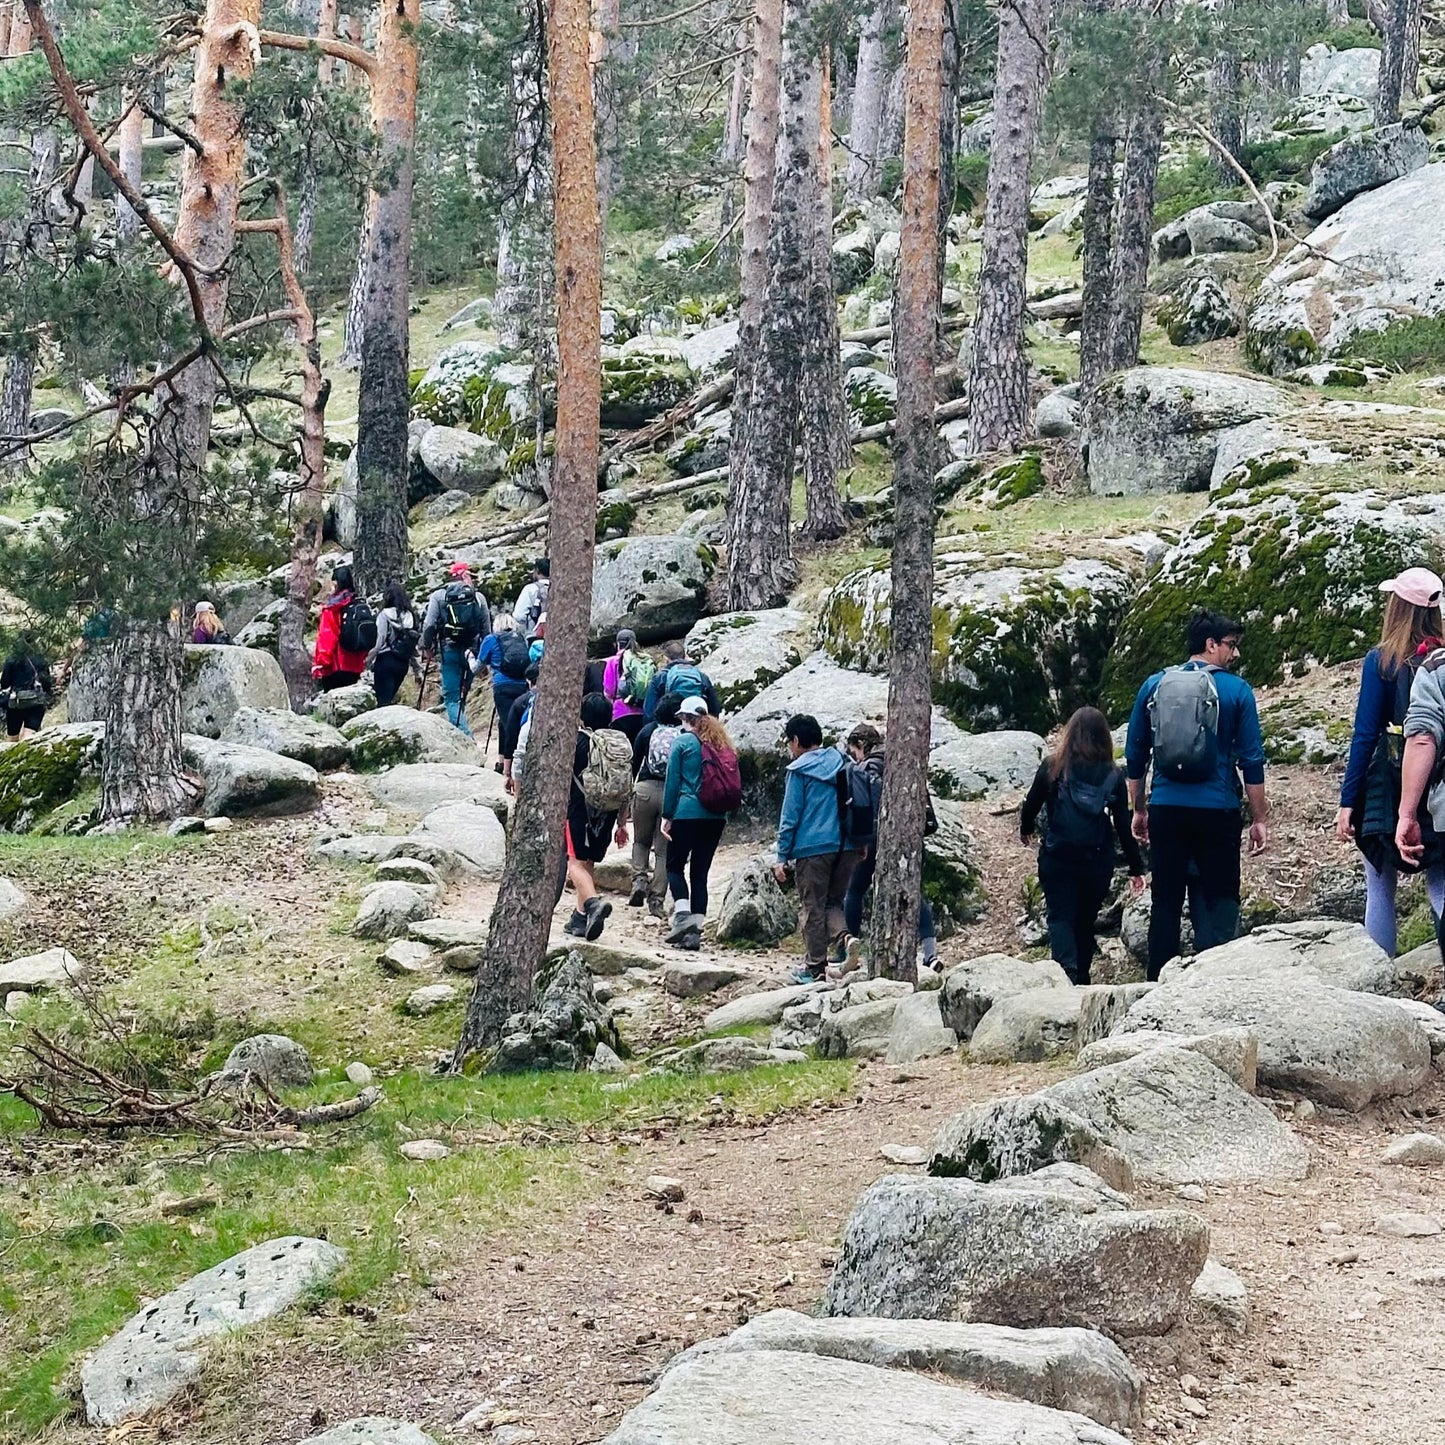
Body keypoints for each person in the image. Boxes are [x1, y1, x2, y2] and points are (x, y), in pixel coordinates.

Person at [1125, 608, 1268, 980]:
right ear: (1210, 645)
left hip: (1167, 808)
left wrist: (1139, 810)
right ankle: (1214, 982)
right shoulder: (1237, 691)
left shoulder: (1154, 685)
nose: (1235, 655)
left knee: (1166, 903)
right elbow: (1251, 762)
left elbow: (1135, 756)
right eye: (1231, 646)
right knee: (1219, 901)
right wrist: (1259, 819)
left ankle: (1157, 985)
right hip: (1217, 810)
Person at [1337, 569, 1445, 955]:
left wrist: (1348, 800)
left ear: (1397, 607)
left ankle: (1380, 979)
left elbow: (1365, 734)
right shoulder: (1442, 661)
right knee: (1440, 881)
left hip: (1390, 784)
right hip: (1440, 784)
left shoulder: (1382, 661)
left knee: (1379, 886)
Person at [1021, 707, 1146, 985]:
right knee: (1085, 921)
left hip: (1057, 857)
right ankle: (1083, 979)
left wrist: (1026, 829)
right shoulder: (1113, 776)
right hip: (1096, 861)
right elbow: (1123, 828)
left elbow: (1031, 805)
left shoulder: (1053, 766)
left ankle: (1066, 973)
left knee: (1060, 917)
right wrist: (1136, 868)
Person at [836, 723, 940, 978]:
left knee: (855, 890)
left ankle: (849, 949)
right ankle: (930, 952)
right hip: (907, 838)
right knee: (913, 890)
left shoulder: (868, 766)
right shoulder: (902, 759)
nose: (854, 757)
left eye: (854, 751)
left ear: (861, 745)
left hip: (874, 838)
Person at [774, 713, 857, 981]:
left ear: (796, 741)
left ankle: (815, 966)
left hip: (812, 848)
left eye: (790, 742)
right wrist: (860, 843)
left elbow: (790, 817)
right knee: (834, 902)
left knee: (812, 906)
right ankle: (846, 940)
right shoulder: (843, 761)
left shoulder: (799, 771)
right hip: (846, 845)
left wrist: (781, 856)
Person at [661, 696, 733, 947]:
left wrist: (667, 815)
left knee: (674, 866)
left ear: (686, 718)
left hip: (687, 812)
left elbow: (672, 783)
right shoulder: (722, 744)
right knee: (700, 872)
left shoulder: (683, 743)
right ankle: (695, 934)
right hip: (716, 816)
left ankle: (681, 917)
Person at [564, 692, 631, 941]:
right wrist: (622, 823)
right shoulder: (618, 743)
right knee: (588, 862)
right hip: (609, 810)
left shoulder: (580, 741)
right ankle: (581, 918)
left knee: (574, 863)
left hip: (580, 808)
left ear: (582, 716)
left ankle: (592, 904)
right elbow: (627, 783)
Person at [422, 560, 491, 735]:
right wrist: (485, 660)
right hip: (473, 651)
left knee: (451, 697)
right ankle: (460, 729)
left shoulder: (439, 596)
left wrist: (427, 647)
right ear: (464, 575)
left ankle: (465, 736)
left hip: (449, 649)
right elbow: (486, 630)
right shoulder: (478, 597)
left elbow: (429, 624)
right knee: (462, 694)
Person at [631, 693, 682, 919]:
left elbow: (633, 763)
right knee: (663, 851)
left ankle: (639, 880)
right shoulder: (685, 736)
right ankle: (657, 899)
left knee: (641, 841)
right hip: (671, 795)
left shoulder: (648, 730)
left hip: (644, 789)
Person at [474, 614, 532, 759]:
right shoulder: (520, 638)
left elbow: (477, 667)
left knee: (509, 725)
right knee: (505, 723)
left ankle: (513, 764)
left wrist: (469, 658)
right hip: (522, 685)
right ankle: (501, 760)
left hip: (502, 686)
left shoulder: (491, 639)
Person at [313, 564, 372, 691]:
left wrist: (321, 664)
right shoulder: (357, 603)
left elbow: (327, 637)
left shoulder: (332, 608)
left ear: (336, 583)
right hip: (355, 665)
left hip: (336, 666)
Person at [363, 580, 420, 707]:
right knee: (390, 698)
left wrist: (367, 660)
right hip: (403, 663)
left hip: (385, 661)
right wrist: (417, 671)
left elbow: (379, 640)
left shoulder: (384, 615)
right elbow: (412, 646)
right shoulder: (410, 616)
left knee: (383, 701)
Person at [643, 640, 721, 719]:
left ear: (666, 659)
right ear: (685, 656)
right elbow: (714, 708)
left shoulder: (659, 678)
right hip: (696, 723)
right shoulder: (701, 676)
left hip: (670, 723)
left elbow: (649, 711)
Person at [603, 629, 654, 742]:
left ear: (618, 644)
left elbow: (609, 691)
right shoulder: (644, 660)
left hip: (620, 714)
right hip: (642, 713)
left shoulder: (613, 662)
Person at [2, 641, 53, 743]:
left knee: (12, 739)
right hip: (36, 703)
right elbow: (47, 683)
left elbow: (4, 684)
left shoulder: (11, 660)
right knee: (29, 738)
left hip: (16, 703)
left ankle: (12, 758)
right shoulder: (40, 659)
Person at [501, 664, 541, 795]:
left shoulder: (520, 702)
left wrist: (507, 773)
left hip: (523, 757)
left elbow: (511, 739)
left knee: (520, 804)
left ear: (529, 682)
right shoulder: (558, 702)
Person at [514, 558, 551, 641]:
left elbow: (519, 616)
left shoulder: (530, 589)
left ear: (537, 570)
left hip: (534, 635)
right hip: (555, 636)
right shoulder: (557, 589)